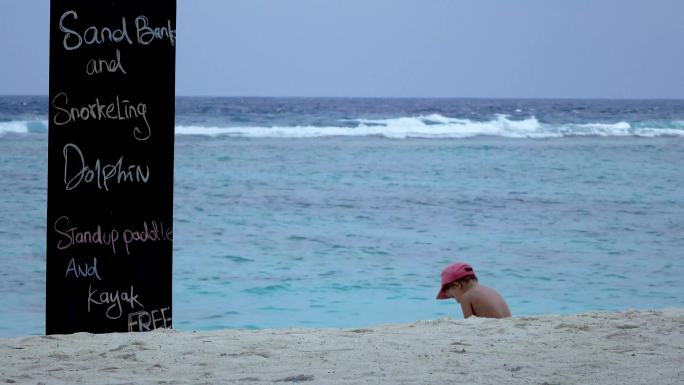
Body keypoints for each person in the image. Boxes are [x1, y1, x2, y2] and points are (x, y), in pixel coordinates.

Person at [436, 262, 511, 319]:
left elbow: (470, 327)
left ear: (457, 286)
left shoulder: (466, 297)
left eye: (453, 296)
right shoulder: (491, 290)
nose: (457, 301)